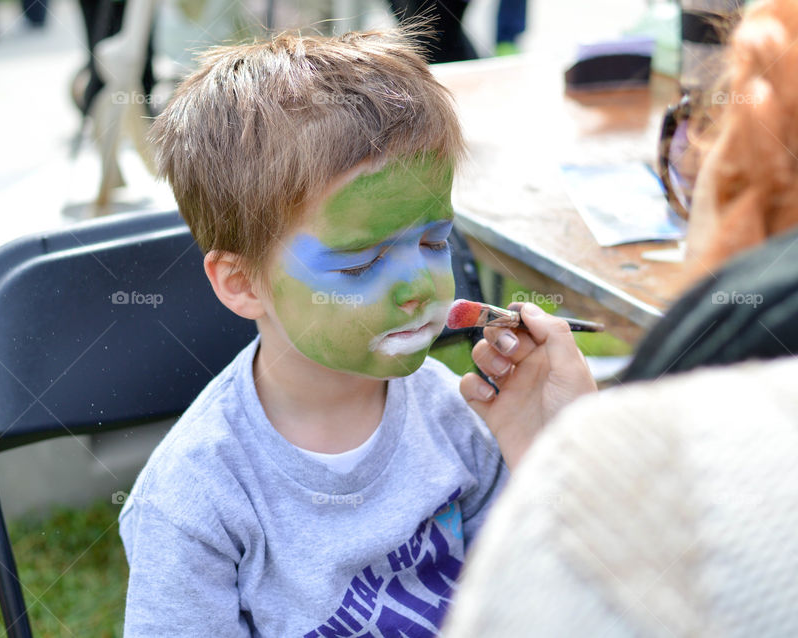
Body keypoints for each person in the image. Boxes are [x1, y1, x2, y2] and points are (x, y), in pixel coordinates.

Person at [117, 27, 560, 636]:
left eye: (433, 242)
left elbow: (535, 600)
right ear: (243, 284)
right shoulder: (194, 500)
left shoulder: (458, 414)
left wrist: (549, 444)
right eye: (360, 262)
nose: (418, 288)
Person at [443, 0, 798, 633]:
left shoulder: (643, 477)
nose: (683, 165)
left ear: (748, 187)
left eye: (700, 130)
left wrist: (591, 473)